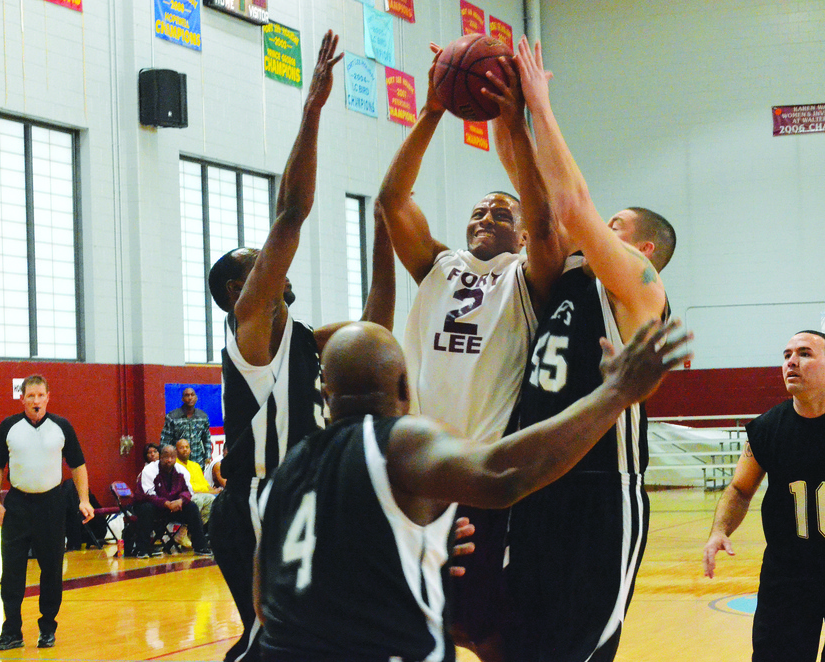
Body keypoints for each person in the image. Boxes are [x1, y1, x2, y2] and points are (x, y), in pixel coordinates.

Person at [257, 319, 691, 661]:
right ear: (406, 388)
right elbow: (503, 473)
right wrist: (614, 393)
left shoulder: (288, 470)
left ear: (326, 394)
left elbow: (265, 598)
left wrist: (415, 555)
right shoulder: (401, 441)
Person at [486, 37, 678, 662]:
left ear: (643, 250)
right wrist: (504, 110)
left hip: (599, 487)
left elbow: (572, 201)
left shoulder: (638, 290)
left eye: (615, 226)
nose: (597, 227)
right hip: (534, 475)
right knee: (523, 646)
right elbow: (530, 187)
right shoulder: (563, 275)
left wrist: (542, 104)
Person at [206, 30, 395, 662]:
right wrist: (311, 113)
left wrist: (384, 231)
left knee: (314, 641)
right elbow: (291, 214)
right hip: (257, 499)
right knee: (275, 644)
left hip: (303, 494)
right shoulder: (250, 329)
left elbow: (375, 329)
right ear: (241, 287)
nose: (274, 263)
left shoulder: (306, 340)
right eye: (259, 263)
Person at [376, 42, 566, 660]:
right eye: (480, 210)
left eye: (500, 212)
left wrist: (514, 122)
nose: (487, 215)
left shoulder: (527, 276)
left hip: (480, 473)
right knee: (410, 616)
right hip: (413, 472)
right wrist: (430, 109)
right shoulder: (438, 266)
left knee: (479, 626)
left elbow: (545, 223)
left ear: (516, 231)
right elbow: (391, 202)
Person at [703, 330, 825, 661]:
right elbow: (740, 490)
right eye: (786, 355)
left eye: (805, 353)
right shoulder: (769, 428)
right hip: (788, 573)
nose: (792, 362)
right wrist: (719, 530)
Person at [0, 374, 93, 651]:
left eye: (40, 395)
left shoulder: (62, 427)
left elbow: (78, 466)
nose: (35, 401)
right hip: (18, 505)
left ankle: (47, 628)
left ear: (48, 397)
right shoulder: (8, 427)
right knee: (12, 571)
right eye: (30, 396)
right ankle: (11, 631)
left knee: (51, 570)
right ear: (22, 398)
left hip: (52, 505)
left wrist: (84, 499)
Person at [133, 445, 211, 559]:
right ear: (160, 457)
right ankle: (142, 549)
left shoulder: (181, 470)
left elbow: (188, 491)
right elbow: (149, 495)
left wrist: (180, 501)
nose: (169, 460)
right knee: (146, 508)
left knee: (192, 507)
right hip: (153, 506)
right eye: (166, 457)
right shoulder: (149, 470)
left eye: (172, 457)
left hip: (173, 507)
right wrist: (166, 503)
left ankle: (200, 546)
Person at [160, 387, 213, 466]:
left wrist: (208, 457)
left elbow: (207, 439)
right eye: (187, 395)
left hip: (197, 462)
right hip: (178, 463)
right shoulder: (172, 417)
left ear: (196, 398)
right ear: (182, 399)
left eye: (192, 395)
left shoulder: (203, 417)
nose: (190, 398)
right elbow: (165, 442)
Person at [176, 438, 220, 524]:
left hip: (205, 494)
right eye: (181, 447)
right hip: (189, 497)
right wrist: (211, 492)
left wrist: (215, 491)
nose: (185, 449)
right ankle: (187, 529)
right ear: (176, 450)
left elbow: (206, 486)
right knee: (199, 500)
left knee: (222, 497)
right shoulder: (175, 466)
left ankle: (203, 530)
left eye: (187, 447)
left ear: (190, 450)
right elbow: (189, 491)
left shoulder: (195, 465)